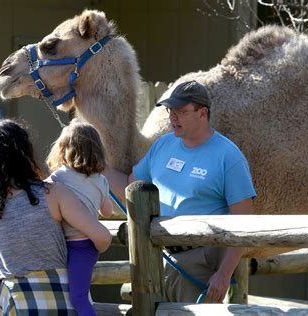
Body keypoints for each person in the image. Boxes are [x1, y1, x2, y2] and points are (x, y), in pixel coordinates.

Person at [105, 80, 256, 303]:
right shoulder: (163, 145)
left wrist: (223, 275)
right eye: (170, 111)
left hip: (200, 263)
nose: (173, 117)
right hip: (157, 255)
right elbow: (131, 185)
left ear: (203, 113)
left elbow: (243, 221)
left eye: (181, 112)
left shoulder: (229, 157)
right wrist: (95, 168)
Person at [0, 119, 112, 315]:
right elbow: (103, 237)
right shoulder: (53, 193)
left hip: (15, 298)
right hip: (60, 297)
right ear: (26, 153)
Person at [46, 122, 113, 315]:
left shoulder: (58, 177)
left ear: (64, 149)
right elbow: (106, 212)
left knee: (76, 297)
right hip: (87, 247)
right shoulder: (101, 180)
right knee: (79, 295)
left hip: (65, 246)